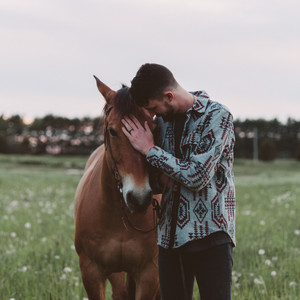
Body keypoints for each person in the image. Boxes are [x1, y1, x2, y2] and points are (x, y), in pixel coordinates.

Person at [121, 63, 236, 300]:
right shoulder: (162, 124)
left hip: (212, 238)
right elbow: (157, 179)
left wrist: (150, 150)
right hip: (169, 241)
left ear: (169, 96)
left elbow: (197, 176)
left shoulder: (218, 117)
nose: (155, 116)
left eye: (154, 108)